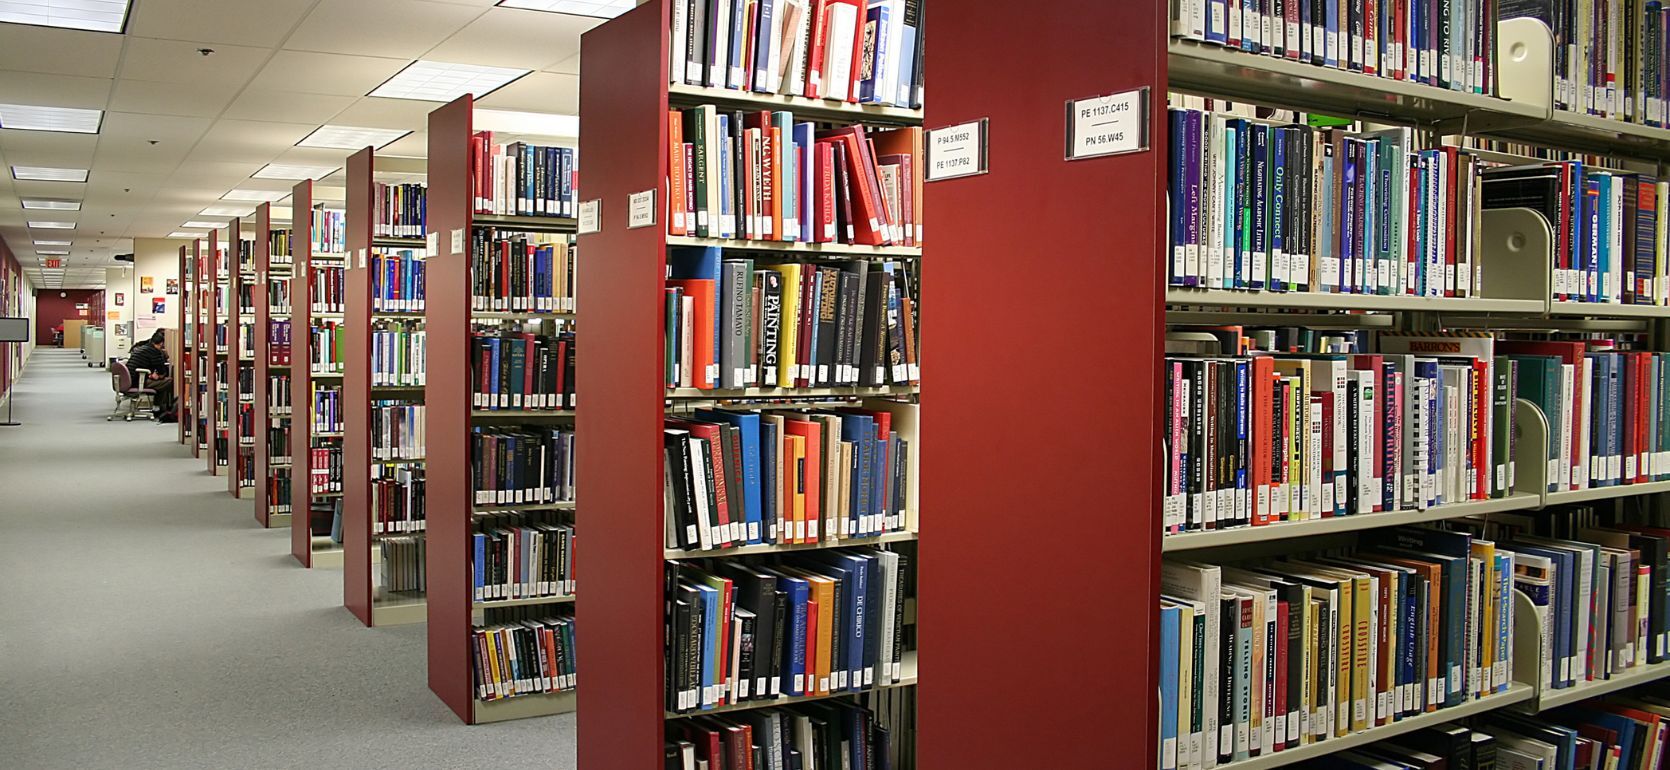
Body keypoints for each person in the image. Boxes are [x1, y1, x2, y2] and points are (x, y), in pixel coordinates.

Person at [125, 330, 173, 420]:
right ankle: (157, 407)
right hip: (137, 381)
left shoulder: (142, 348)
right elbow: (162, 372)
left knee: (159, 382)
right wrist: (157, 376)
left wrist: (151, 374)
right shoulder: (155, 352)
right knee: (166, 381)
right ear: (161, 343)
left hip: (129, 379)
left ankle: (157, 406)